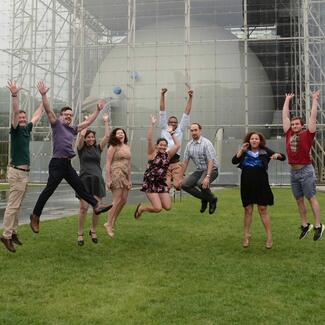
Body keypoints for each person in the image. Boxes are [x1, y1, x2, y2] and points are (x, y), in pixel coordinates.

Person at [29, 81, 112, 234]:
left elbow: (87, 122)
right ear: (61, 116)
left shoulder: (72, 129)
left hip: (67, 165)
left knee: (80, 187)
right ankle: (35, 215)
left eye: (70, 115)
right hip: (57, 163)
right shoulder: (56, 124)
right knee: (49, 190)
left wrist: (97, 110)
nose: (68, 117)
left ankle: (96, 205)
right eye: (66, 115)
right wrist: (43, 95)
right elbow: (48, 110)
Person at [0, 81, 43, 253]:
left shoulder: (27, 130)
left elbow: (37, 115)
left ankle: (14, 232)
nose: (23, 119)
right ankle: (6, 235)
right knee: (13, 205)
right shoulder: (16, 129)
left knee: (17, 205)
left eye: (24, 118)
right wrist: (15, 95)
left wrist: (44, 98)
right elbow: (16, 112)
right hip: (17, 172)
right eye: (21, 118)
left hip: (24, 174)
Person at [232, 131, 286, 249]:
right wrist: (241, 150)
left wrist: (277, 155)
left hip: (261, 184)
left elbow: (283, 157)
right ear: (249, 140)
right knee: (248, 210)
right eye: (252, 139)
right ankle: (246, 235)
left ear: (260, 141)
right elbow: (234, 161)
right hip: (247, 185)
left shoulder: (265, 151)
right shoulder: (244, 151)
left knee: (263, 209)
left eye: (256, 139)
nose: (254, 140)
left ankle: (269, 237)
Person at [282, 91, 324, 240]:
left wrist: (314, 100)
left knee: (311, 198)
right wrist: (287, 100)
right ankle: (305, 224)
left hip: (306, 170)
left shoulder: (308, 133)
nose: (294, 125)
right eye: (292, 124)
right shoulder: (288, 133)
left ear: (302, 125)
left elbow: (313, 117)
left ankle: (318, 226)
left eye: (297, 124)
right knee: (299, 199)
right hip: (293, 171)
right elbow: (285, 116)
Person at [133, 115, 180, 219]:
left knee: (167, 207)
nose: (163, 146)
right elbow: (149, 139)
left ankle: (152, 203)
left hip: (161, 183)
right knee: (158, 208)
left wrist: (171, 133)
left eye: (164, 145)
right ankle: (142, 208)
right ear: (156, 146)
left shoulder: (167, 155)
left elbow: (177, 145)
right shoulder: (152, 154)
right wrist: (152, 124)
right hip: (150, 182)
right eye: (161, 145)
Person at [76, 113, 110, 246]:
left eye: (92, 137)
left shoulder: (98, 148)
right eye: (88, 137)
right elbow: (81, 136)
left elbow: (107, 137)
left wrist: (106, 122)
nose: (90, 139)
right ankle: (80, 233)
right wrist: (87, 122)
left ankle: (93, 230)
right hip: (84, 180)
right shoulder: (81, 149)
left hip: (97, 181)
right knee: (83, 208)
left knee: (97, 208)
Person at [159, 88, 193, 190]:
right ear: (167, 123)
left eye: (175, 122)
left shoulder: (180, 129)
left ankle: (181, 176)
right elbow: (162, 111)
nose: (173, 123)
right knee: (167, 187)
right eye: (171, 122)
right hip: (165, 162)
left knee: (178, 186)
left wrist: (191, 97)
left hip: (176, 162)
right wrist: (162, 95)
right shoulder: (164, 128)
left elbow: (186, 113)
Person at [181, 123, 218, 214]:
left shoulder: (206, 143)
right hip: (200, 170)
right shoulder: (189, 145)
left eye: (195, 130)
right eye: (192, 130)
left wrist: (208, 176)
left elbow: (211, 161)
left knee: (201, 184)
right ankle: (208, 198)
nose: (193, 132)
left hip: (212, 169)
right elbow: (185, 162)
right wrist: (180, 176)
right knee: (184, 185)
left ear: (200, 131)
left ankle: (211, 200)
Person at [104, 128, 131, 237]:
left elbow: (129, 164)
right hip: (116, 173)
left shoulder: (127, 147)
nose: (120, 134)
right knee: (116, 200)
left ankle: (113, 219)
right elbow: (108, 163)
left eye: (122, 133)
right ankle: (108, 224)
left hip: (125, 174)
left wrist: (129, 179)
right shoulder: (113, 146)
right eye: (118, 133)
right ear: (115, 136)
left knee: (124, 200)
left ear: (124, 135)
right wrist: (108, 179)